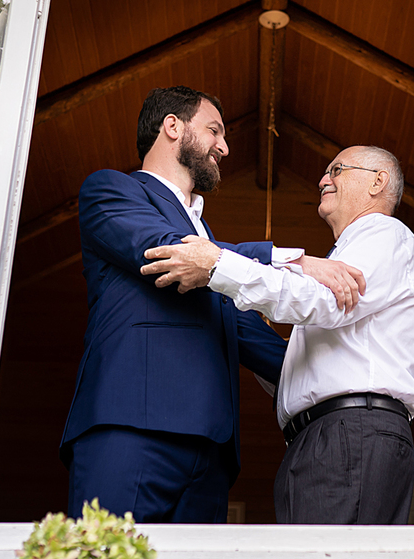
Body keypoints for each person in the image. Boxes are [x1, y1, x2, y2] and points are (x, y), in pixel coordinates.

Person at [60, 86, 363, 523]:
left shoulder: (208, 237)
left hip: (213, 454)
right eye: (215, 130)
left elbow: (245, 330)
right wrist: (288, 259)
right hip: (130, 426)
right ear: (172, 127)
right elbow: (165, 250)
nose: (224, 146)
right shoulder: (112, 189)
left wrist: (353, 383)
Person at [142, 145, 414, 525]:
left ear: (379, 182)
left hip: (349, 435)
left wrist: (218, 266)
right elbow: (307, 361)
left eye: (337, 170)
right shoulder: (352, 248)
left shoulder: (382, 232)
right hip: (328, 438)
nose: (323, 179)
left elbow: (325, 301)